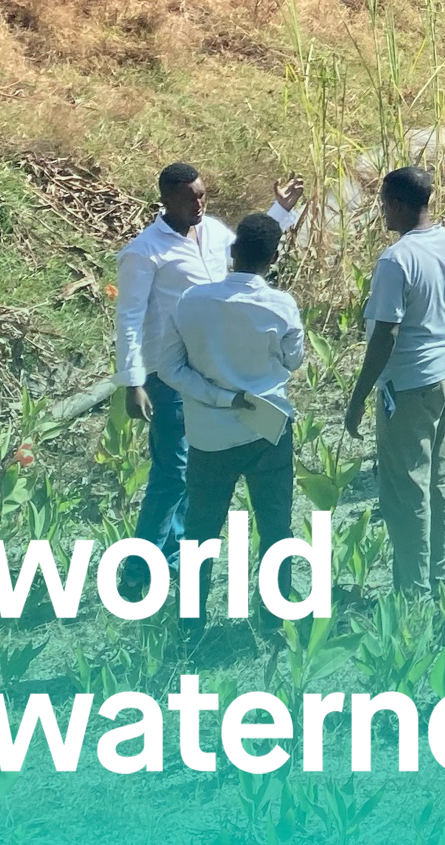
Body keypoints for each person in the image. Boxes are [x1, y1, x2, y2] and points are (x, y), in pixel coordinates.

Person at [114, 162, 304, 561]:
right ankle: (140, 568)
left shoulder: (214, 231)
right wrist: (133, 381)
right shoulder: (145, 252)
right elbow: (129, 316)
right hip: (170, 372)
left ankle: (178, 559)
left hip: (212, 363)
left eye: (202, 195)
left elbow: (250, 253)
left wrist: (279, 213)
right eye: (188, 198)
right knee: (172, 473)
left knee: (196, 472)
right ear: (165, 200)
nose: (198, 204)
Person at [148, 212, 303, 613]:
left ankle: (191, 626)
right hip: (268, 428)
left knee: (200, 532)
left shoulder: (191, 302)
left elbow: (169, 368)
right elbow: (292, 360)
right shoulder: (281, 305)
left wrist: (220, 396)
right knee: (275, 529)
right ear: (274, 257)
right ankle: (274, 619)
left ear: (232, 252)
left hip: (209, 435)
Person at [343, 166, 445, 596]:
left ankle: (415, 591)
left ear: (400, 205)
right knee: (437, 482)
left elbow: (386, 333)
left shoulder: (396, 260)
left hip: (410, 384)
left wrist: (358, 398)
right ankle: (439, 578)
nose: (382, 211)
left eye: (385, 203)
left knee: (406, 492)